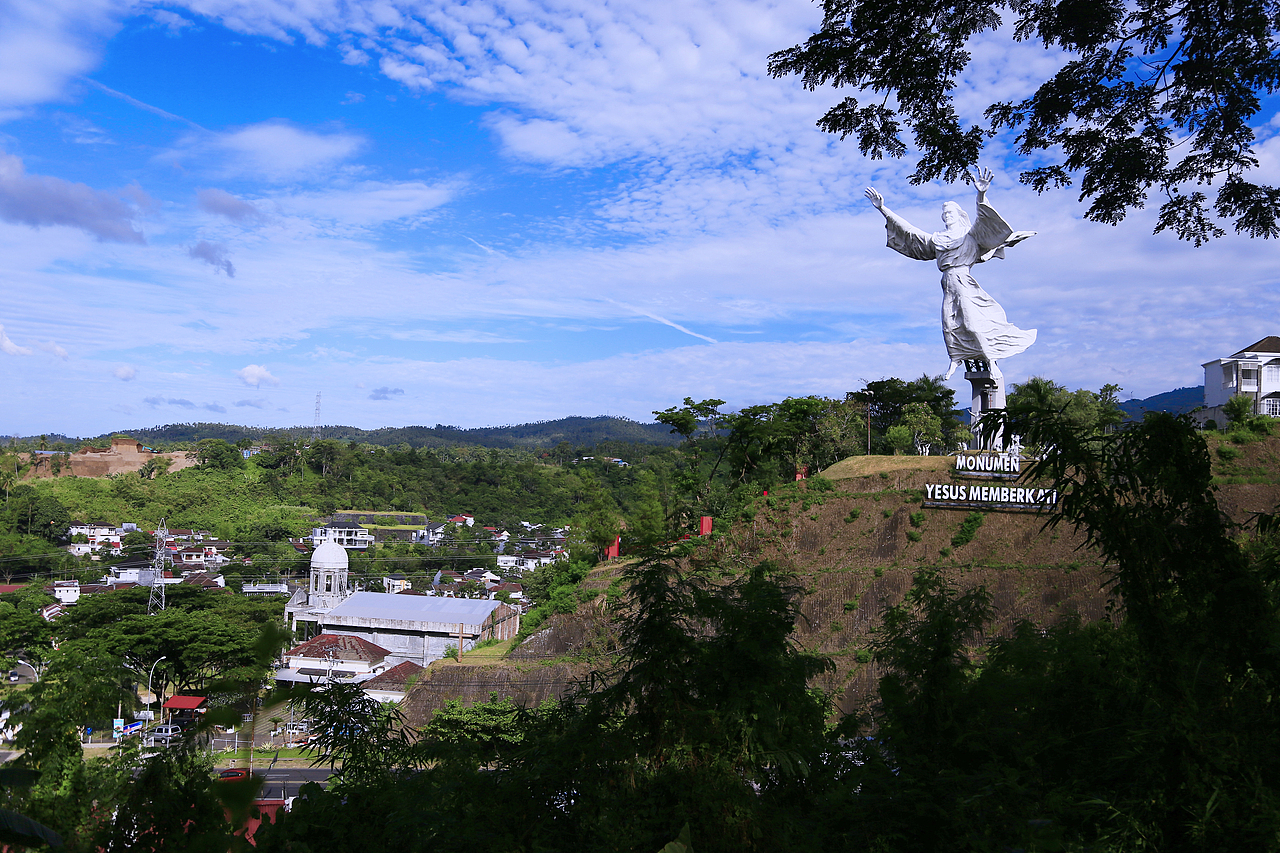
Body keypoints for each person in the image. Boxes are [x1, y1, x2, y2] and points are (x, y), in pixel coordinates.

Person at [865, 167, 1036, 380]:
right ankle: (955, 360)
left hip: (963, 280)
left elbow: (984, 218)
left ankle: (991, 361)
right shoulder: (937, 239)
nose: (947, 216)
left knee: (973, 323)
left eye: (950, 213)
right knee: (949, 324)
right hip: (947, 283)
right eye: (944, 213)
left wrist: (981, 194)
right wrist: (883, 209)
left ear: (959, 215)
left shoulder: (969, 236)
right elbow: (909, 231)